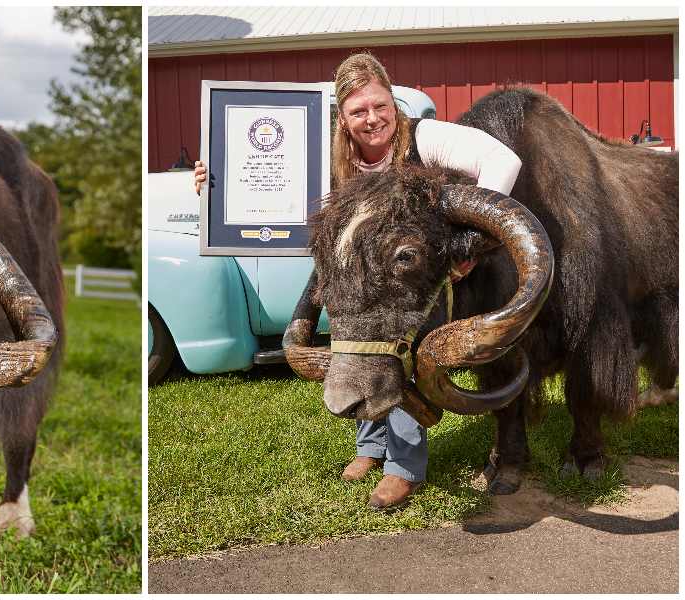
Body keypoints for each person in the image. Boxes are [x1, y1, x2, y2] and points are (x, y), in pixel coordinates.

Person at [193, 53, 521, 509]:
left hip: (411, 279)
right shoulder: (330, 157)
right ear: (343, 118)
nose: (372, 119)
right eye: (358, 111)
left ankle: (404, 466)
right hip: (359, 277)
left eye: (380, 105)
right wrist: (219, 183)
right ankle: (370, 446)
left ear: (393, 101)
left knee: (399, 354)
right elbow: (272, 186)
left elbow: (502, 159)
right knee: (353, 345)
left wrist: (469, 244)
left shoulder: (425, 138)